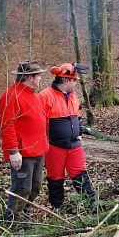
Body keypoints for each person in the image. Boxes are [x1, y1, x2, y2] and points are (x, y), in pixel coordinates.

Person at [38, 63, 97, 210]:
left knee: (81, 174)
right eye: (74, 80)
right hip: (54, 146)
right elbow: (38, 123)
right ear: (65, 80)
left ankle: (93, 205)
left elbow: (76, 116)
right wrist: (42, 142)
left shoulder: (73, 96)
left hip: (74, 145)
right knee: (55, 178)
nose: (76, 83)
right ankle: (57, 208)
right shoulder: (45, 96)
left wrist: (79, 132)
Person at [0, 61, 49, 225]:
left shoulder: (32, 94)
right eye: (38, 76)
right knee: (22, 188)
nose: (40, 78)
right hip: (23, 153)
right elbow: (7, 126)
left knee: (35, 187)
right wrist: (13, 151)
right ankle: (13, 223)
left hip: (38, 150)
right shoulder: (11, 96)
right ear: (29, 77)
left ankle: (25, 217)